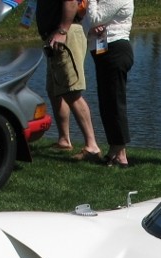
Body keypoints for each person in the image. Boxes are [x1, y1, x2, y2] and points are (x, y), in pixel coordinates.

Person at [36, 0, 102, 160]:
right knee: (55, 91)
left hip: (66, 35)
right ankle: (64, 140)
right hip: (55, 37)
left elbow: (71, 1)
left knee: (72, 91)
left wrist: (63, 31)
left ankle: (92, 146)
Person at [83, 0, 133, 167]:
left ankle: (121, 154)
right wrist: (90, 29)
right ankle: (113, 149)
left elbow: (96, 18)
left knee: (115, 102)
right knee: (106, 102)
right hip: (102, 51)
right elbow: (87, 22)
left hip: (116, 51)